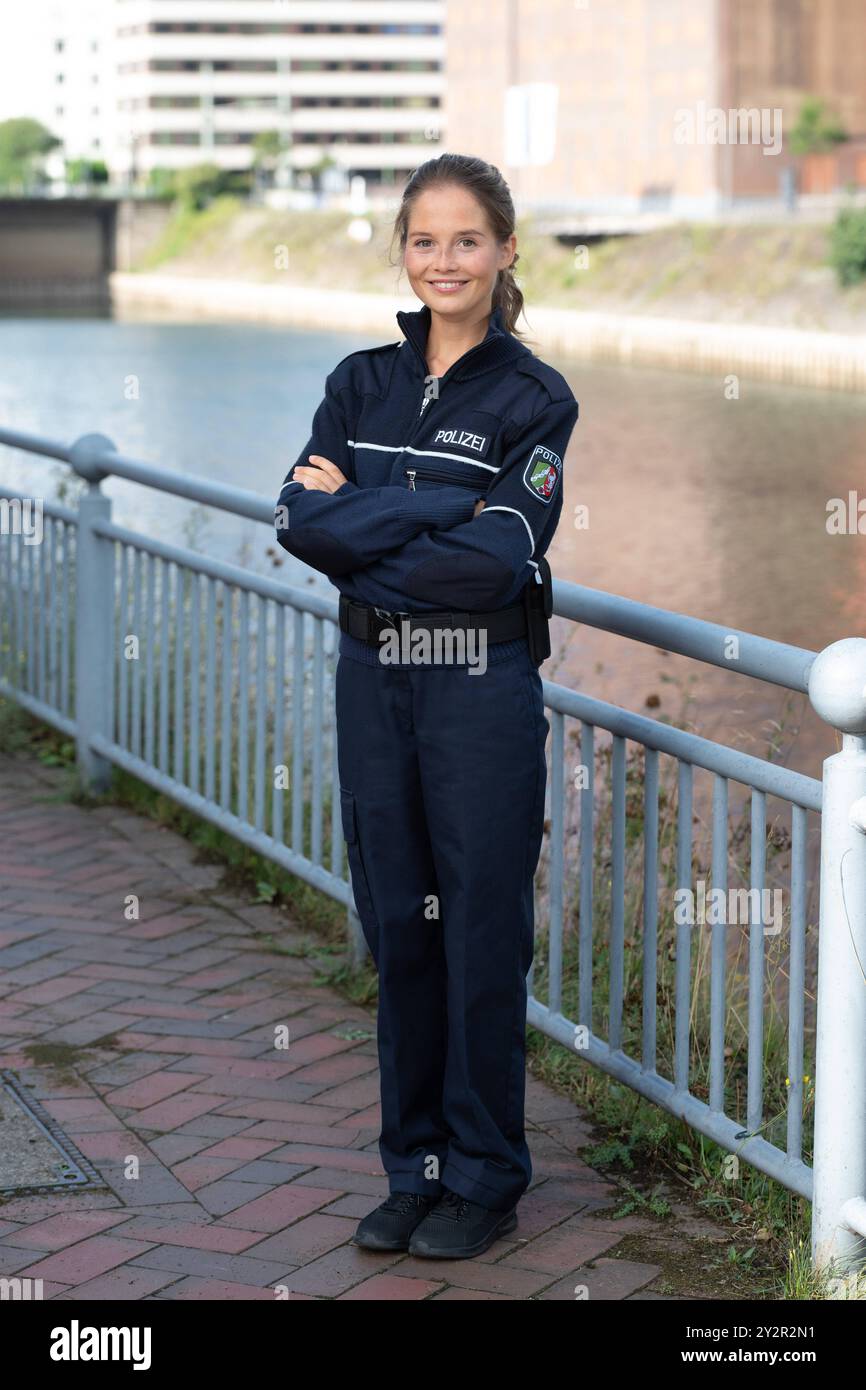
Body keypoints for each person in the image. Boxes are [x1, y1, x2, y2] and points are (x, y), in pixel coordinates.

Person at [274, 153, 579, 1260]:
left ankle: (486, 1176)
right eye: (423, 240)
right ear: (401, 252)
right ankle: (417, 1167)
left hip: (475, 689)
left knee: (479, 928)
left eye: (465, 240)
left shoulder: (534, 397)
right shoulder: (360, 382)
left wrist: (364, 521)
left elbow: (497, 563)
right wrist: (423, 515)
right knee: (399, 923)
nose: (442, 260)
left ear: (503, 252)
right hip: (374, 683)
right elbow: (294, 522)